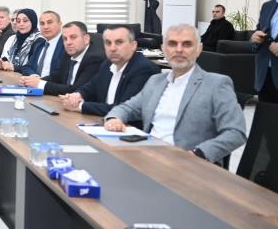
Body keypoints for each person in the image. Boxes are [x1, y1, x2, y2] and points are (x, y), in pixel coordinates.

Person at [105, 25, 246, 162]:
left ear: (199, 49)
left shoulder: (216, 84)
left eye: (187, 44)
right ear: (163, 49)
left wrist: (198, 154)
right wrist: (115, 118)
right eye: (172, 44)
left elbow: (235, 132)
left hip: (189, 164)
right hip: (149, 156)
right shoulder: (155, 81)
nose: (179, 50)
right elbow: (128, 107)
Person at [60, 26, 161, 117]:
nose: (112, 48)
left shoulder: (143, 69)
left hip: (128, 127)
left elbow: (123, 108)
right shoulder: (107, 64)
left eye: (119, 42)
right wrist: (77, 95)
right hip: (104, 122)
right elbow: (91, 87)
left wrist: (80, 106)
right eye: (108, 43)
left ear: (133, 45)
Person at [20, 21, 104, 95]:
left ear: (86, 39)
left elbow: (76, 90)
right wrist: (33, 81)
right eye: (65, 39)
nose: (68, 42)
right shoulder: (68, 54)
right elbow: (57, 76)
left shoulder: (95, 58)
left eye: (73, 37)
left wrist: (40, 84)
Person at [0, 8, 45, 75]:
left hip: (28, 78)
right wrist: (1, 63)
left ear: (33, 22)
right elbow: (6, 58)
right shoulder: (15, 38)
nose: (21, 24)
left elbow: (33, 67)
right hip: (12, 76)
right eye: (18, 21)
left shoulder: (39, 40)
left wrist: (14, 67)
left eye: (25, 21)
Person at [32, 10, 65, 78]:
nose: (46, 27)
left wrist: (40, 81)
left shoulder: (65, 45)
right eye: (42, 23)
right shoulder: (39, 45)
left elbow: (61, 73)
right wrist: (34, 76)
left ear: (60, 24)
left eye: (49, 22)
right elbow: (28, 66)